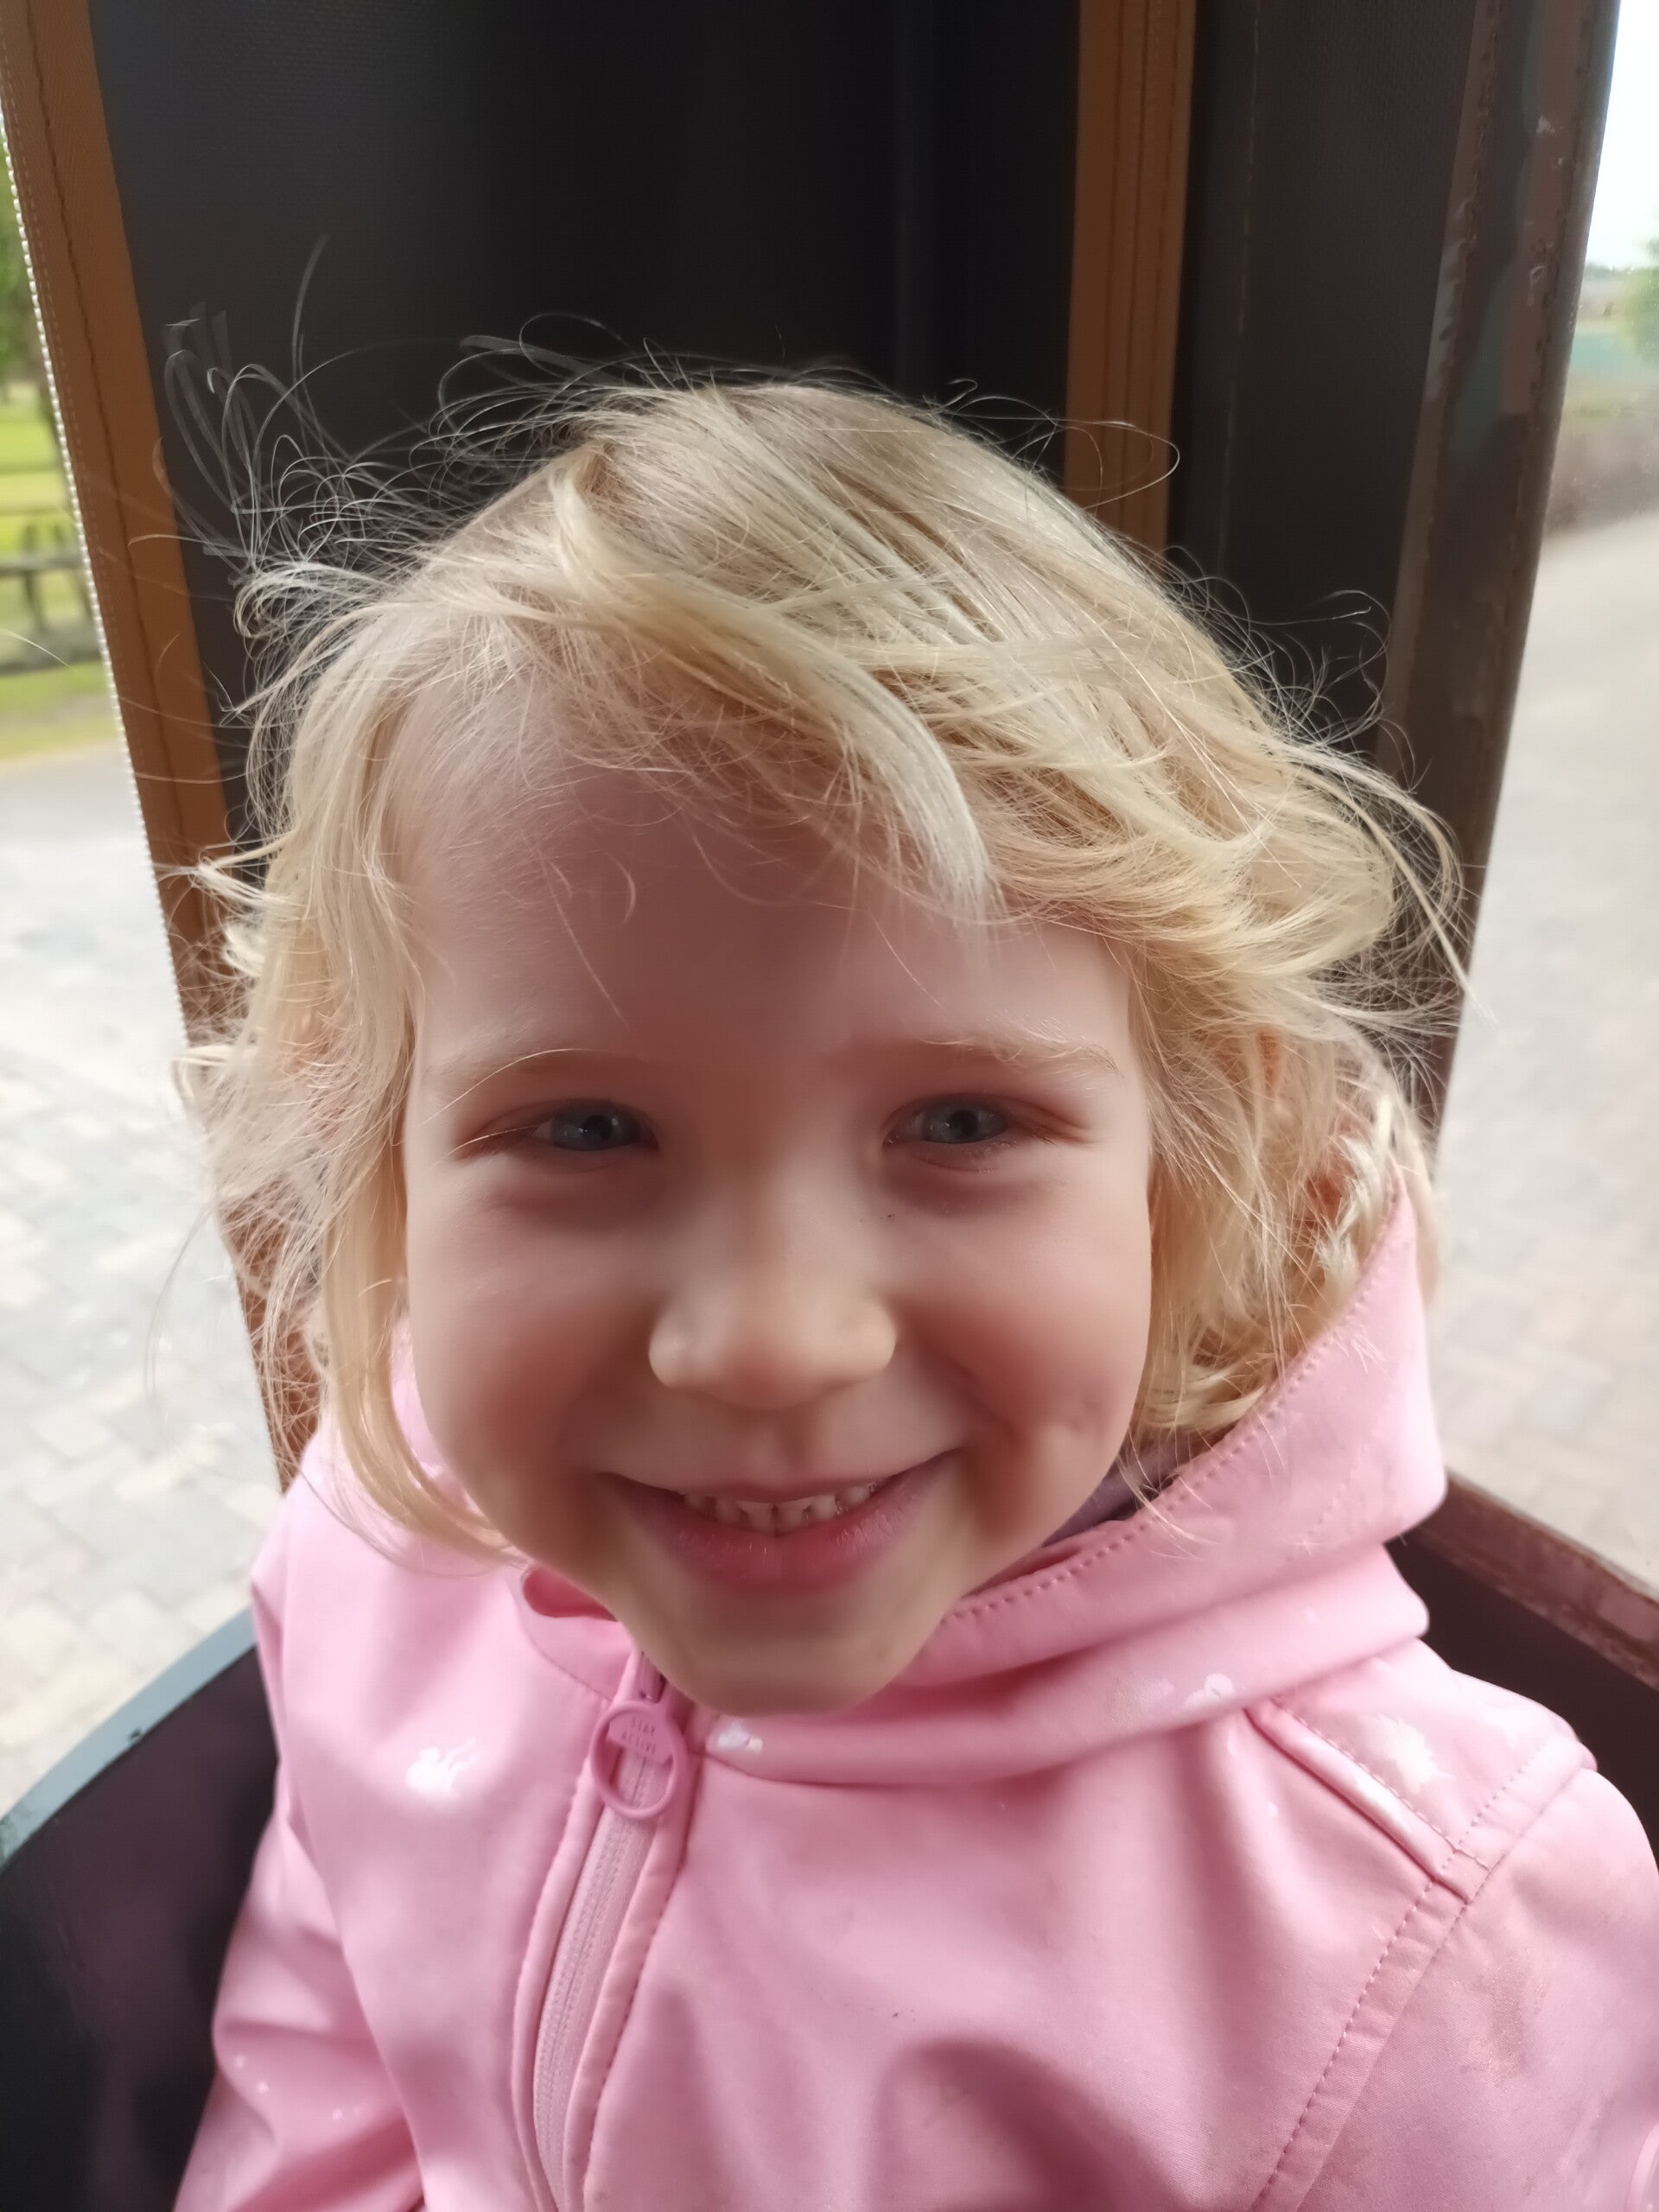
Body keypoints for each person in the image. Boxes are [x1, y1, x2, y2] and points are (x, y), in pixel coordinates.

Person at [176, 376, 1659, 2211]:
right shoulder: (379, 1548)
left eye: (960, 1121)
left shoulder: (1424, 1938)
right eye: (583, 1127)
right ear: (380, 1145)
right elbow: (324, 2037)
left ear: (1201, 1142)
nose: (769, 1341)